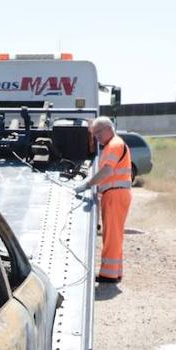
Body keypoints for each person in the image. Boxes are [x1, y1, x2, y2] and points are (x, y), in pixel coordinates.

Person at [74, 116, 132, 283]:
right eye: (94, 134)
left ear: (108, 129)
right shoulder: (114, 144)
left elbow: (107, 172)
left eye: (98, 133)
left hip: (115, 194)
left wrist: (88, 184)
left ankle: (109, 275)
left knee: (111, 235)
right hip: (117, 194)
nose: (96, 137)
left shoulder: (113, 145)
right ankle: (115, 272)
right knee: (115, 234)